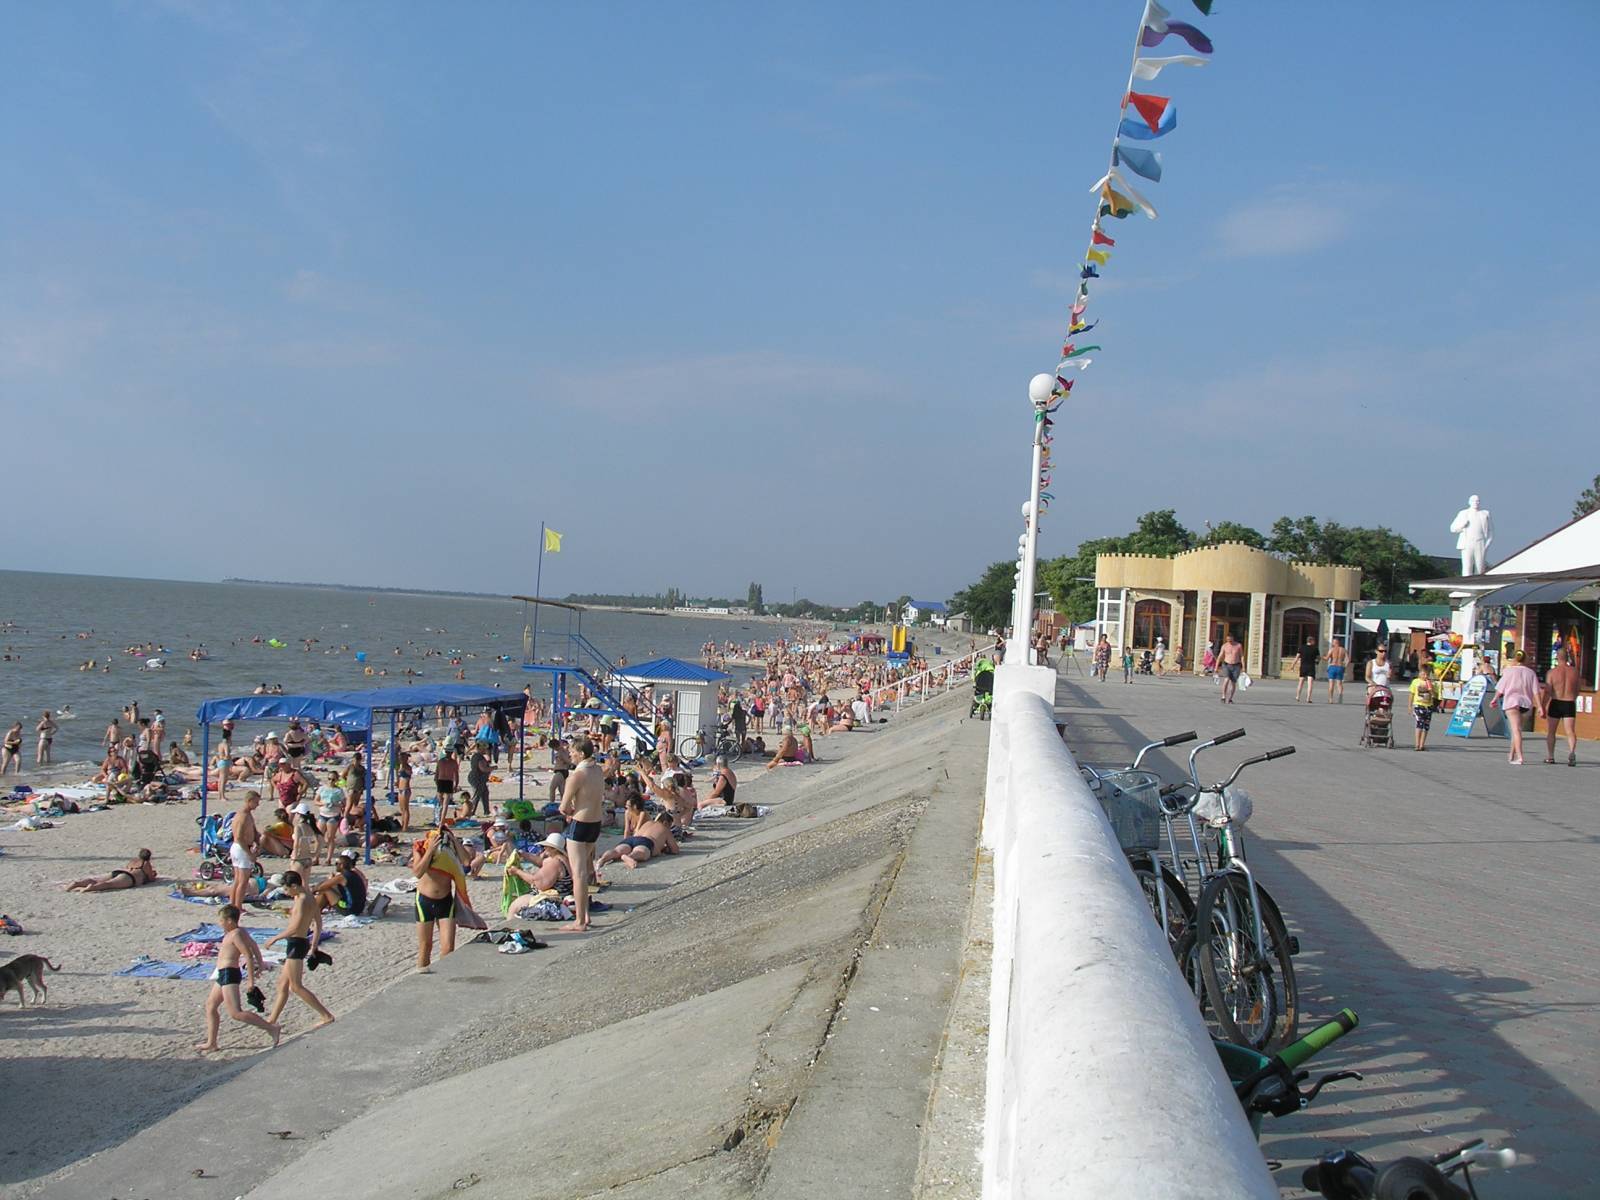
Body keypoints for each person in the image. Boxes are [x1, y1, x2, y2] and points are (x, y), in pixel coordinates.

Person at [196, 903, 280, 1053]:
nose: (219, 923)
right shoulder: (238, 932)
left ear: (229, 920)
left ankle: (271, 1028)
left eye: (221, 920)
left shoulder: (236, 934)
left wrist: (251, 981)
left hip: (230, 973)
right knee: (210, 1006)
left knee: (236, 1013)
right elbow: (254, 946)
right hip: (222, 974)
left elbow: (248, 954)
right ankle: (212, 1042)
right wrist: (260, 964)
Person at [263, 872, 335, 1029]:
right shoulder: (308, 897)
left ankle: (326, 1015)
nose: (285, 892)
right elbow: (318, 922)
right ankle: (272, 1020)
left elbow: (295, 928)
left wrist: (275, 938)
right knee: (282, 984)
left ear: (294, 886)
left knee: (296, 986)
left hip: (296, 943)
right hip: (300, 943)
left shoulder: (302, 900)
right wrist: (314, 944)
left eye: (287, 888)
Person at [557, 737, 604, 933]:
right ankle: (585, 915)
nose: (570, 755)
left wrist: (567, 811)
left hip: (580, 823)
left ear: (581, 754)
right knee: (585, 869)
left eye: (573, 752)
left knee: (579, 874)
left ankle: (580, 921)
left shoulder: (576, 776)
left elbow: (564, 806)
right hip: (596, 822)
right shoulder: (597, 770)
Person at [410, 827, 462, 969]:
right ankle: (421, 979)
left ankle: (443, 979)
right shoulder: (421, 848)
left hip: (445, 900)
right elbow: (418, 872)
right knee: (425, 946)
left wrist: (454, 840)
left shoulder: (450, 851)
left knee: (448, 948)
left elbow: (466, 861)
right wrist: (430, 850)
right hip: (425, 901)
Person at [1541, 648, 1582, 766]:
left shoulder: (1552, 672)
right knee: (1570, 731)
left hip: (1556, 702)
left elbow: (1548, 691)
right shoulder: (1574, 672)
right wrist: (1573, 697)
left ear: (1557, 657)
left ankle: (1550, 756)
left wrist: (1542, 706)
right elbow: (1578, 689)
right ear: (1567, 657)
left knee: (1551, 732)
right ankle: (1572, 752)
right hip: (1569, 703)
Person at [228, 792, 263, 911]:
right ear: (250, 800)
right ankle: (237, 906)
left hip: (240, 848)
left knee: (238, 879)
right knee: (243, 881)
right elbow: (238, 837)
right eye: (256, 802)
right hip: (241, 848)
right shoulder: (242, 816)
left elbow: (253, 832)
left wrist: (257, 841)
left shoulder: (247, 814)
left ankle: (233, 905)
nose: (257, 805)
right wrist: (250, 854)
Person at [67, 848, 157, 892]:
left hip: (120, 872)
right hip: (128, 878)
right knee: (109, 884)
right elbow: (151, 879)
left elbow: (128, 868)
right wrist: (153, 874)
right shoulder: (146, 864)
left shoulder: (133, 861)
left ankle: (77, 883)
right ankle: (91, 888)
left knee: (96, 880)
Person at [316, 850, 368, 915]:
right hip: (359, 908)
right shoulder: (355, 873)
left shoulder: (342, 877)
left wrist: (311, 891)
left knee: (325, 889)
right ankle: (317, 909)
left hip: (350, 910)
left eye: (336, 864)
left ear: (341, 865)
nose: (335, 866)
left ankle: (316, 910)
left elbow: (321, 887)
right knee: (329, 888)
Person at [1408, 661, 1440, 751]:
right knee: (1419, 724)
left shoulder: (1432, 683)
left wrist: (1431, 689)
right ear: (1420, 673)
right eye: (1423, 674)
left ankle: (1422, 744)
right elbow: (1411, 694)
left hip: (1428, 706)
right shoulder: (1416, 682)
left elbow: (1436, 696)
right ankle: (1417, 744)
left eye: (1427, 674)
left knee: (1426, 726)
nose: (1425, 676)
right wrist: (1410, 706)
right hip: (1419, 705)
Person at [314, 771, 344, 865]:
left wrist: (336, 804)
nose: (331, 781)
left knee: (330, 838)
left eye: (333, 779)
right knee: (319, 837)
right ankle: (316, 858)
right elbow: (316, 801)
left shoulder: (339, 791)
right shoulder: (322, 789)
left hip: (333, 815)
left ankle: (328, 859)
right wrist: (323, 803)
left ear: (337, 780)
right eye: (329, 779)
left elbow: (344, 803)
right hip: (323, 813)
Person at [1217, 633, 1245, 704]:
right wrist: (1216, 666)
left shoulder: (1238, 646)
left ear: (1233, 638)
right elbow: (1220, 656)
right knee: (1226, 679)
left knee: (1233, 682)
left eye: (1230, 639)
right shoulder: (1224, 646)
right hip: (1227, 664)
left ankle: (1230, 698)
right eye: (1228, 640)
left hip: (1236, 665)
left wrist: (1243, 666)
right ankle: (1223, 696)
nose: (1229, 641)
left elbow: (1241, 656)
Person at [434, 746, 459, 819]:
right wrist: (456, 785)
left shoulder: (441, 761)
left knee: (441, 802)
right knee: (445, 804)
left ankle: (440, 817)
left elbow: (436, 775)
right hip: (448, 781)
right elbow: (456, 775)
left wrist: (436, 783)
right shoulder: (453, 762)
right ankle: (442, 818)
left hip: (441, 781)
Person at [1294, 637, 1319, 703]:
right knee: (1310, 683)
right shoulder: (1315, 649)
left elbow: (1297, 657)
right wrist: (1317, 662)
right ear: (1311, 641)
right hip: (1311, 667)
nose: (1314, 642)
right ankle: (1308, 698)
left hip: (1303, 667)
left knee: (1301, 682)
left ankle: (1298, 696)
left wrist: (1293, 665)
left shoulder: (1301, 647)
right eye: (1314, 640)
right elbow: (1318, 658)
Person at [1326, 637, 1348, 703]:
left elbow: (1327, 658)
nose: (1332, 643)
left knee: (1331, 684)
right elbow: (1348, 659)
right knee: (1339, 684)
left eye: (1333, 642)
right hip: (1340, 667)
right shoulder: (1343, 650)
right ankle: (1340, 695)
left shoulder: (1332, 649)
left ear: (1335, 643)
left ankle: (1330, 699)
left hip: (1333, 666)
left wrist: (1322, 657)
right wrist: (1345, 666)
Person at [395, 750, 413, 831]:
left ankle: (405, 826)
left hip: (405, 789)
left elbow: (406, 772)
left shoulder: (407, 767)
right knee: (402, 809)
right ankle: (403, 824)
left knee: (405, 809)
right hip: (401, 789)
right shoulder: (401, 766)